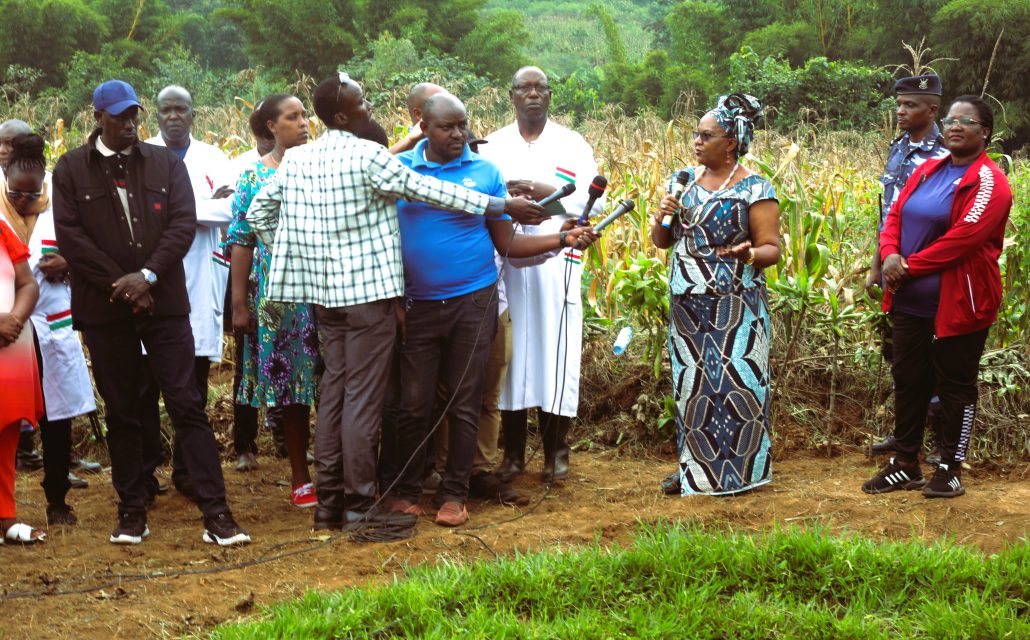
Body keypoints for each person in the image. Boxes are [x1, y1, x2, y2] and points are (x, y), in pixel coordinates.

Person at [245, 73, 546, 531]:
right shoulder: (370, 156)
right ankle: (361, 504)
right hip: (368, 301)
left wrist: (297, 251)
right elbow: (431, 191)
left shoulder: (299, 160)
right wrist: (500, 206)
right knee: (363, 403)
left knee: (333, 399)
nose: (369, 108)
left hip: (324, 302)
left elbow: (258, 214)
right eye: (362, 103)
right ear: (344, 115)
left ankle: (328, 508)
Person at [52, 79, 250, 546]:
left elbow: (181, 224)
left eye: (133, 115)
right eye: (119, 116)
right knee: (122, 410)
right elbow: (72, 237)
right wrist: (120, 284)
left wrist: (148, 277)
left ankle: (217, 513)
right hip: (105, 309)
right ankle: (131, 510)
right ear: (98, 117)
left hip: (164, 304)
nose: (129, 124)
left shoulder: (163, 163)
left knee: (186, 404)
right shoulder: (71, 169)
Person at [386, 94, 598, 526]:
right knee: (414, 403)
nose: (458, 135)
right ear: (422, 127)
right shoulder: (404, 170)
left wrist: (561, 239)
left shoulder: (485, 172)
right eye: (447, 127)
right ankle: (407, 490)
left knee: (467, 402)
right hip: (418, 303)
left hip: (474, 303)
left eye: (463, 125)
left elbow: (509, 245)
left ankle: (454, 495)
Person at [863, 96, 1012, 499]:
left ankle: (949, 467)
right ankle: (905, 462)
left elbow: (963, 239)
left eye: (968, 121)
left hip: (961, 305)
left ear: (985, 133)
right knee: (908, 380)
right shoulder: (928, 170)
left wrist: (908, 266)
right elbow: (895, 213)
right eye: (951, 119)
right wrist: (890, 253)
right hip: (910, 301)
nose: (955, 125)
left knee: (955, 387)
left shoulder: (989, 182)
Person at [478, 66, 604, 484]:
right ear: (511, 96)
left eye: (540, 88)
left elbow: (594, 205)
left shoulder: (572, 144)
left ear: (550, 96)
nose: (533, 94)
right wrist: (509, 198)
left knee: (557, 351)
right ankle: (513, 455)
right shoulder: (492, 145)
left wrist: (539, 192)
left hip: (557, 262)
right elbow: (479, 200)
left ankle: (556, 453)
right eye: (524, 88)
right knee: (512, 360)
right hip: (507, 265)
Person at [652, 93, 781, 496]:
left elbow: (772, 249)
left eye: (706, 135)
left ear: (730, 142)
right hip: (688, 306)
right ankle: (696, 471)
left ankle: (743, 474)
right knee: (694, 390)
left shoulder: (756, 187)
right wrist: (663, 214)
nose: (696, 141)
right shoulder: (684, 181)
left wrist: (750, 254)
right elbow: (662, 241)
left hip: (736, 307)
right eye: (695, 134)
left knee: (740, 386)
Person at [140, 85, 236, 502]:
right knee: (144, 387)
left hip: (199, 282)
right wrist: (197, 206)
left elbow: (231, 209)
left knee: (193, 387)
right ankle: (144, 472)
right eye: (166, 110)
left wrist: (172, 209)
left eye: (182, 109)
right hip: (149, 280)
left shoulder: (215, 159)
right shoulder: (140, 155)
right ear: (156, 116)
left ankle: (187, 471)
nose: (174, 116)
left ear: (194, 115)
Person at [226, 94, 319, 508]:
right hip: (279, 297)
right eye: (292, 117)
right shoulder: (253, 178)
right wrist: (239, 303)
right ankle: (301, 477)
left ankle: (337, 467)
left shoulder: (323, 167)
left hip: (326, 288)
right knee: (293, 388)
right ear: (270, 128)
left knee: (334, 382)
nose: (303, 123)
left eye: (304, 116)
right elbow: (241, 241)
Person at [1, 133, 97, 525]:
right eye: (16, 194)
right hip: (9, 327)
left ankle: (57, 499)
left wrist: (69, 265)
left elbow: (91, 249)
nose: (25, 201)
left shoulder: (62, 204)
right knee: (7, 415)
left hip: (52, 325)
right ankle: (7, 507)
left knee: (56, 416)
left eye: (33, 194)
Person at [867, 75, 950, 459]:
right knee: (901, 359)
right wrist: (877, 266)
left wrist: (912, 264)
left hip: (930, 271)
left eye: (910, 105)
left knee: (936, 359)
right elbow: (887, 213)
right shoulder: (898, 146)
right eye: (898, 104)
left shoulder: (948, 152)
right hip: (892, 266)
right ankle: (906, 437)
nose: (900, 112)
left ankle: (940, 442)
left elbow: (948, 220)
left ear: (932, 109)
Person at [227, 106, 285, 470]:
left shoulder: (308, 166)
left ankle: (285, 440)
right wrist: (238, 303)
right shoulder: (247, 171)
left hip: (298, 287)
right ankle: (244, 444)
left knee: (294, 363)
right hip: (256, 285)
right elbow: (239, 238)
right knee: (249, 362)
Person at [0, 201, 45, 544]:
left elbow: (28, 283)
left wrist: (14, 318)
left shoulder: (3, 229)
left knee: (6, 431)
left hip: (10, 346)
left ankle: (6, 515)